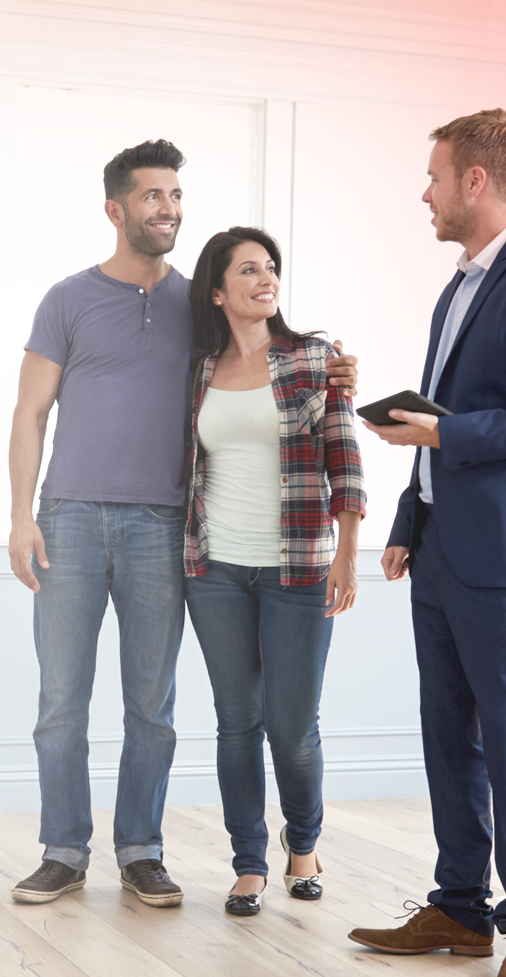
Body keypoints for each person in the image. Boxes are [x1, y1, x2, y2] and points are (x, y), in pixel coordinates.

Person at [6, 141, 359, 908]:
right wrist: (19, 514)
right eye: (152, 195)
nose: (167, 207)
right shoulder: (66, 299)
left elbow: (264, 360)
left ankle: (142, 850)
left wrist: (335, 369)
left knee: (151, 704)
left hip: (164, 525)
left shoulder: (197, 305)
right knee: (60, 699)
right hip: (67, 518)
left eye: (175, 194)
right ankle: (63, 849)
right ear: (115, 208)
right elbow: (30, 412)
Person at [345, 109, 506, 977]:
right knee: (447, 735)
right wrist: (410, 521)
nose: (427, 191)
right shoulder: (457, 285)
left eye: (436, 176)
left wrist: (446, 438)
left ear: (476, 182)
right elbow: (441, 421)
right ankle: (460, 906)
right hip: (441, 547)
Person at [180, 227, 363, 917]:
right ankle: (249, 862)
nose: (266, 278)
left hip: (299, 567)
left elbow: (344, 459)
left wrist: (347, 552)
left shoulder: (314, 359)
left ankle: (305, 844)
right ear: (219, 290)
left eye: (272, 268)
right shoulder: (197, 369)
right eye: (249, 269)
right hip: (214, 568)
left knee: (291, 726)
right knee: (236, 720)